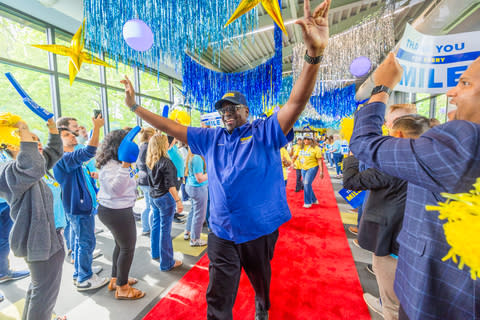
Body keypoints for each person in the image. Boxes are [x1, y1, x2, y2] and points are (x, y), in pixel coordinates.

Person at [121, 0, 331, 318]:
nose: (227, 113)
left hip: (259, 229)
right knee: (217, 295)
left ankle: (263, 304)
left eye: (233, 108)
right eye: (223, 109)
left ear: (247, 111)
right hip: (221, 230)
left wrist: (313, 55)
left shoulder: (265, 132)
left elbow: (296, 102)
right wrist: (136, 107)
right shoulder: (211, 137)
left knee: (260, 278)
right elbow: (172, 127)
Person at [350, 53, 480, 320]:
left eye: (465, 84)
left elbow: (363, 143)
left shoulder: (465, 143)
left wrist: (382, 88)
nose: (451, 91)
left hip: (436, 298)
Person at [344, 114, 432, 320]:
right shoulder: (434, 161)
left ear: (398, 134)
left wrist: (353, 155)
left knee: (394, 304)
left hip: (391, 242)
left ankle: (386, 306)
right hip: (422, 242)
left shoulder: (395, 164)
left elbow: (351, 181)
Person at [0, 116, 64, 320]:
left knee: (39, 291)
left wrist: (53, 127)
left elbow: (54, 152)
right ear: (13, 143)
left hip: (52, 237)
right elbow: (32, 166)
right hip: (39, 240)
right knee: (44, 296)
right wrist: (23, 126)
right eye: (31, 140)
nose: (37, 144)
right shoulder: (11, 170)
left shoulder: (33, 166)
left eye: (37, 141)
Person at [53, 115, 108, 291]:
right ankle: (85, 278)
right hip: (78, 207)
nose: (72, 135)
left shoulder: (70, 157)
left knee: (80, 240)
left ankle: (81, 271)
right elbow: (89, 151)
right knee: (86, 242)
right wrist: (97, 127)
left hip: (79, 205)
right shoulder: (64, 158)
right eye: (67, 135)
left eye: (72, 132)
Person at [96, 129, 145, 300]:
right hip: (116, 211)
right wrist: (125, 165)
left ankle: (116, 280)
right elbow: (115, 190)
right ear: (119, 145)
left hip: (120, 209)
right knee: (127, 248)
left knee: (121, 245)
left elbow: (133, 178)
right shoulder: (111, 165)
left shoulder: (121, 162)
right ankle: (122, 288)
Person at [146, 134, 183, 271]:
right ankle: (167, 263)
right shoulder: (166, 162)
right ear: (163, 145)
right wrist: (178, 201)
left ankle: (155, 253)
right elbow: (170, 185)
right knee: (165, 231)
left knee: (156, 226)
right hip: (165, 198)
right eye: (167, 142)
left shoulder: (150, 160)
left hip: (154, 197)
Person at [183, 147, 208, 246]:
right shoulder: (197, 158)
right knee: (199, 215)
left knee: (194, 211)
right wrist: (213, 171)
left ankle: (188, 231)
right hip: (198, 189)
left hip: (191, 187)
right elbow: (200, 178)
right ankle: (195, 239)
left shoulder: (192, 155)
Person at [292, 133, 324, 208]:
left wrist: (321, 171)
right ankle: (314, 199)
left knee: (306, 183)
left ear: (311, 140)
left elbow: (319, 160)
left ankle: (307, 202)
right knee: (307, 184)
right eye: (305, 139)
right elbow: (295, 156)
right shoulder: (300, 147)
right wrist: (292, 163)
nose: (306, 140)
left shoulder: (316, 148)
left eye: (308, 139)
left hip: (313, 167)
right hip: (303, 168)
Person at [136, 127, 156, 236]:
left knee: (147, 205)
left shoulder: (142, 146)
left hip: (143, 179)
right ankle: (152, 229)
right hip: (148, 180)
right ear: (150, 137)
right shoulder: (148, 147)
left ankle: (146, 228)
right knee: (152, 206)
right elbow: (150, 165)